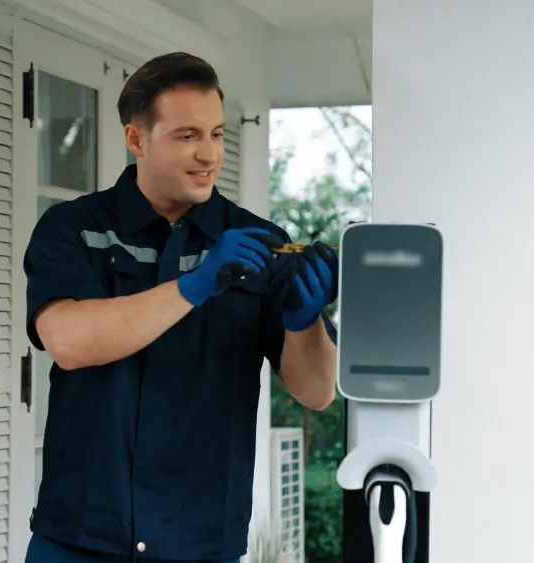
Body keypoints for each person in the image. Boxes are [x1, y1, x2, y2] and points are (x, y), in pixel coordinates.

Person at [22, 51, 340, 563]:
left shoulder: (259, 243)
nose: (208, 155)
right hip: (81, 538)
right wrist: (195, 286)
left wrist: (305, 323)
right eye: (187, 136)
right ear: (136, 140)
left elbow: (317, 390)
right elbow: (70, 342)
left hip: (201, 543)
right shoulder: (75, 229)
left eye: (216, 134)